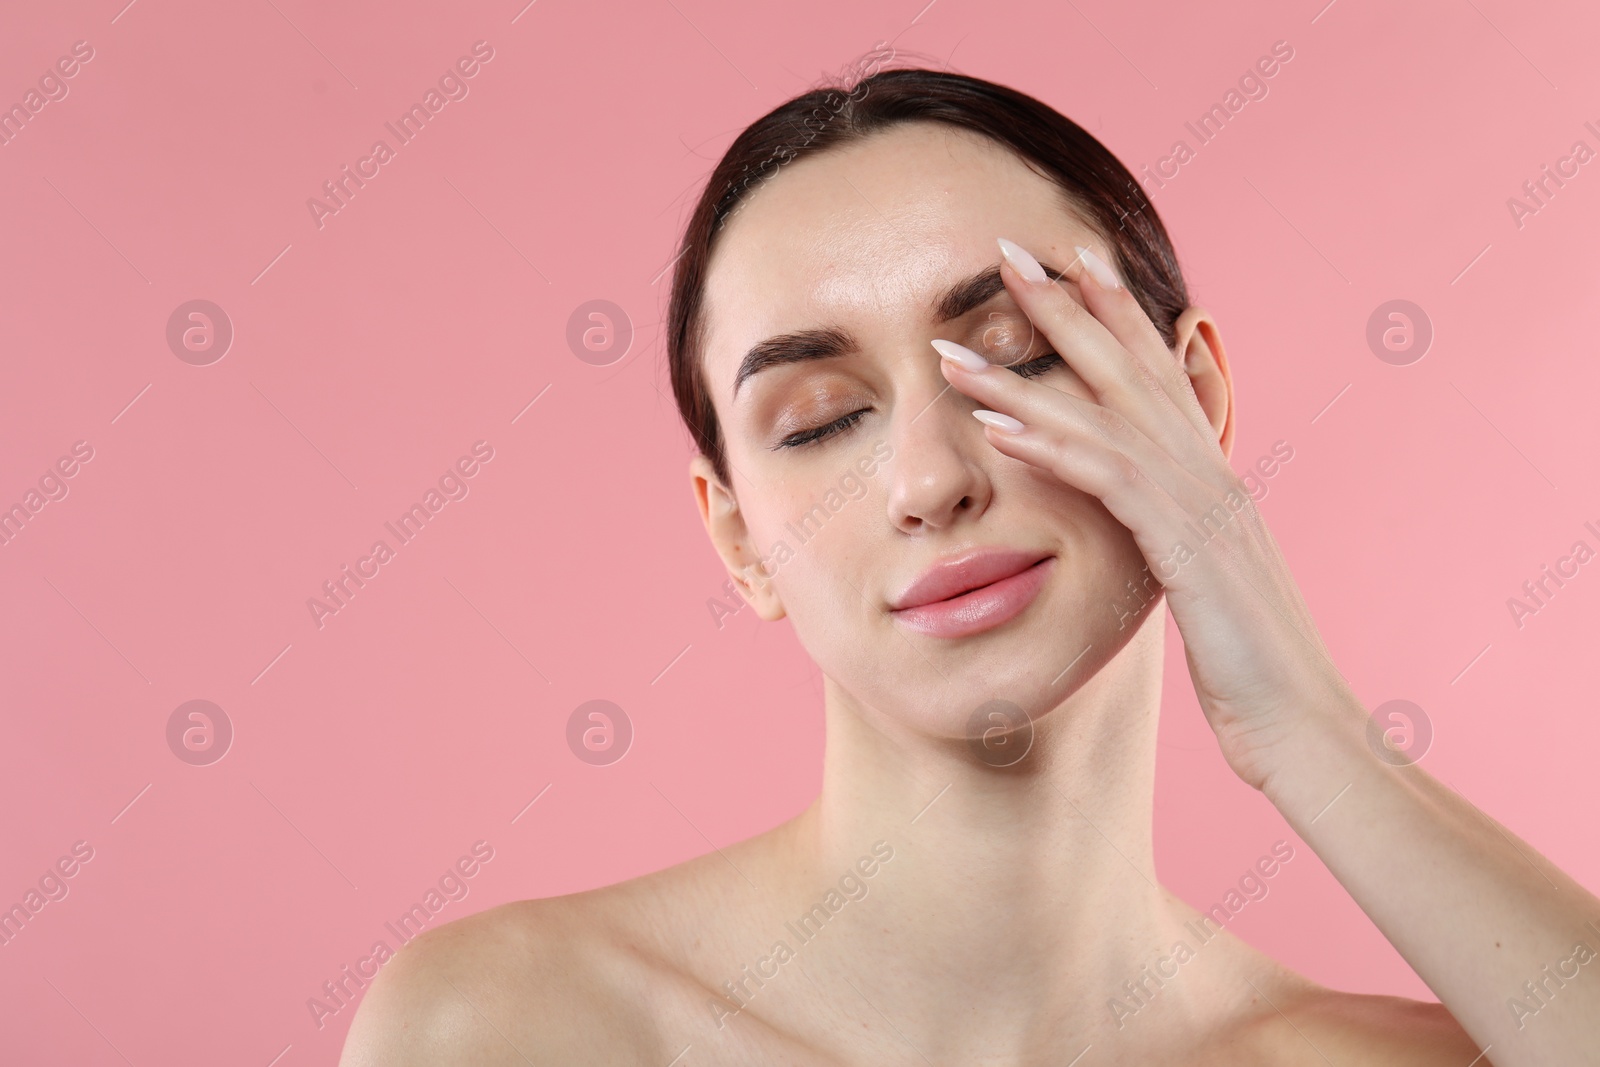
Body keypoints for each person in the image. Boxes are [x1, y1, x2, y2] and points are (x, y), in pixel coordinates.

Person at [339, 64, 1600, 1066]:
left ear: (1192, 397)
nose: (928, 478)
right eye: (823, 418)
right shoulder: (514, 1029)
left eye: (1014, 353)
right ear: (738, 539)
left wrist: (1305, 729)